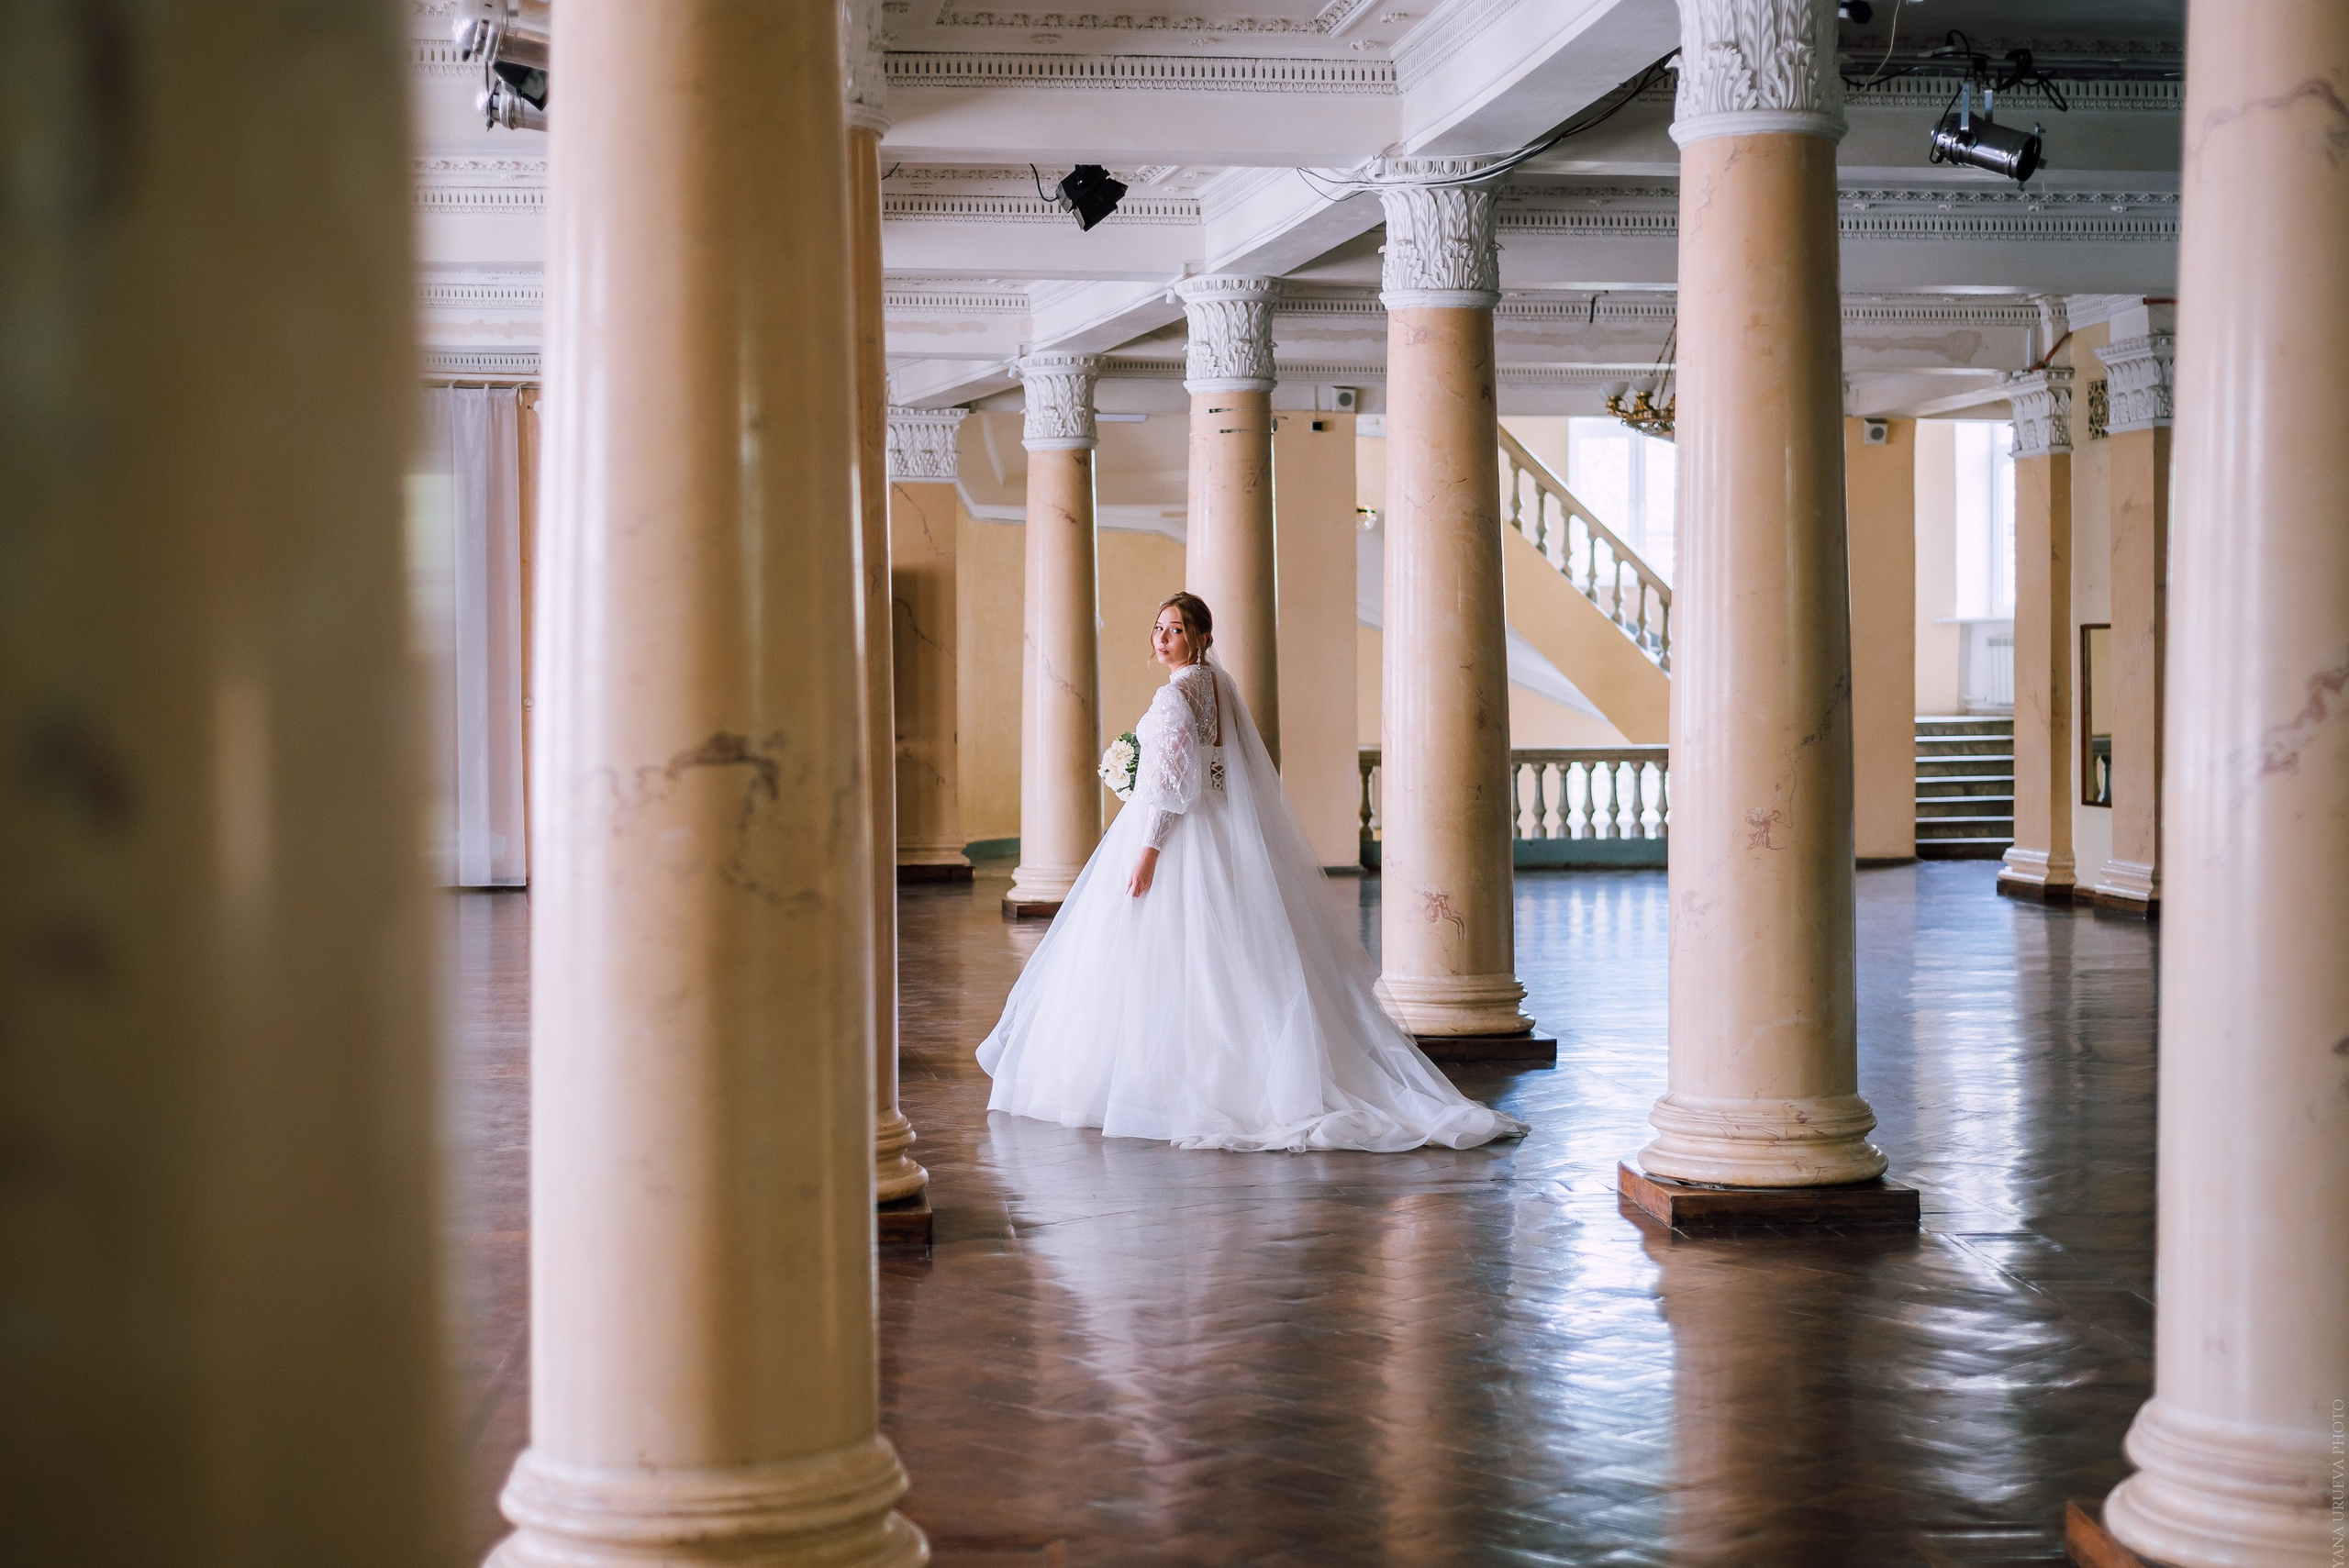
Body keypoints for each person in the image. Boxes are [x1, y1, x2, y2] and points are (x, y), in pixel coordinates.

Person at [977, 592, 1528, 1152]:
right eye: (1157, 627)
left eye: (1175, 628)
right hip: (1223, 832)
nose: (1161, 637)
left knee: (1171, 954)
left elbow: (1171, 785)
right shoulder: (1217, 686)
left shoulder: (1175, 694)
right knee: (1233, 953)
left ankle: (1182, 1080)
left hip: (1178, 835)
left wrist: (1147, 853)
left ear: (1200, 636)